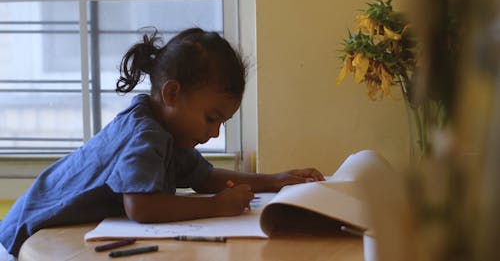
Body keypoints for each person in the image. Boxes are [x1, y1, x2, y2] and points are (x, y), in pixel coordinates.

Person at [0, 27, 324, 258]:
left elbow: (206, 178)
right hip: (25, 239)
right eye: (211, 118)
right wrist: (216, 206)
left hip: (58, 236)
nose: (215, 133)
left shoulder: (170, 133)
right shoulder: (145, 134)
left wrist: (274, 181)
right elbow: (142, 206)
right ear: (172, 94)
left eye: (223, 122)